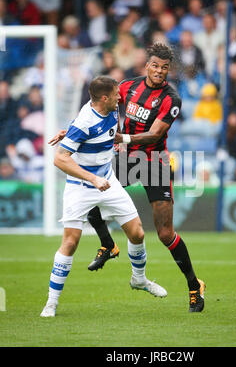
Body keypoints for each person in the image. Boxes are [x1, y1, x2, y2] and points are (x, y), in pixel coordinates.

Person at [49, 43, 205, 313]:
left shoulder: (171, 99)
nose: (159, 71)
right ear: (147, 65)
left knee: (166, 234)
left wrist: (123, 138)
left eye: (164, 68)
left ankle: (194, 285)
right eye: (155, 65)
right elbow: (97, 105)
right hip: (125, 159)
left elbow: (155, 135)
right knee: (93, 196)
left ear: (169, 70)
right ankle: (108, 245)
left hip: (154, 162)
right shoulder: (128, 86)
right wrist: (73, 130)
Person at [41, 76, 167, 317]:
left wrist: (69, 132)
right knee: (70, 243)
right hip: (81, 186)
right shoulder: (86, 120)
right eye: (117, 93)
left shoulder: (108, 110)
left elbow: (95, 130)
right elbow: (59, 159)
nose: (121, 96)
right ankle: (51, 303)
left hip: (108, 181)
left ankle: (139, 280)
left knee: (138, 232)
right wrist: (92, 178)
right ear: (104, 98)